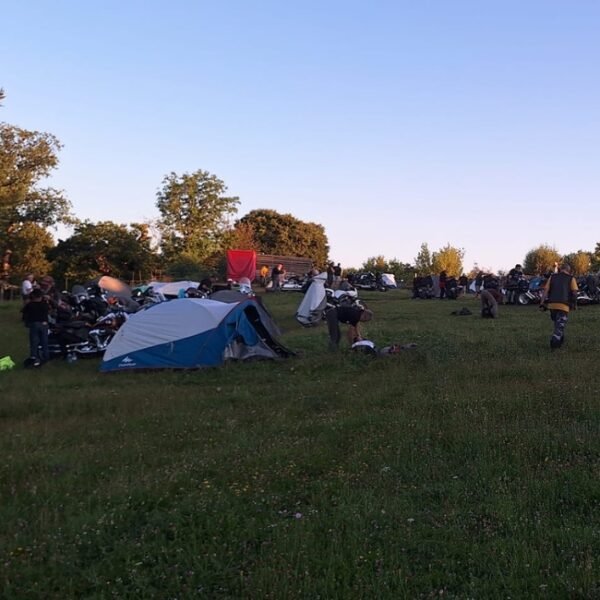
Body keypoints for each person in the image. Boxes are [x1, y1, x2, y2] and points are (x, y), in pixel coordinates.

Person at [539, 263, 578, 350]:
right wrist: (574, 304)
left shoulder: (552, 277)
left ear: (560, 269)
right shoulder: (571, 278)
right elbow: (574, 292)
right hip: (564, 305)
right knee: (559, 326)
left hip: (552, 305)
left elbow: (546, 290)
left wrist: (542, 303)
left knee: (558, 324)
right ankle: (554, 344)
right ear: (569, 270)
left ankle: (561, 341)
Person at [22, 288, 49, 363]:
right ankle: (46, 356)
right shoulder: (44, 304)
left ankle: (34, 357)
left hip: (34, 324)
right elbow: (49, 310)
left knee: (34, 341)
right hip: (44, 324)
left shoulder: (30, 305)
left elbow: (24, 312)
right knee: (44, 341)